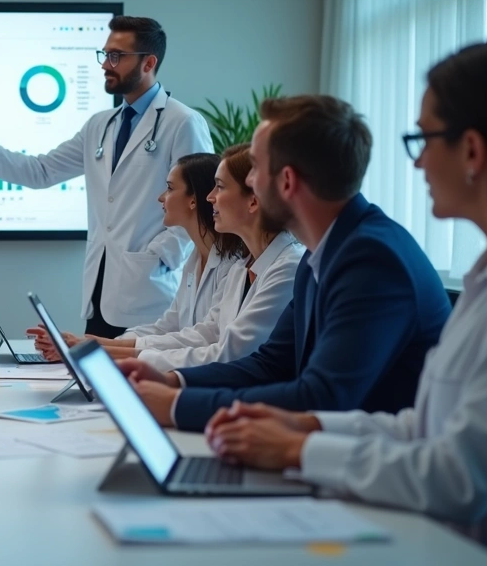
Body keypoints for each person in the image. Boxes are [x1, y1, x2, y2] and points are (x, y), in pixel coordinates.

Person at [204, 39, 487, 566]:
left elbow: (462, 475)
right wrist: (308, 430)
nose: (419, 164)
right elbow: (421, 427)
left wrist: (301, 450)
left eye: (424, 139)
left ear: (473, 151)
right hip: (432, 544)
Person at [120, 95, 452, 432]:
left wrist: (176, 405)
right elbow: (270, 364)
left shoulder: (371, 260)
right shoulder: (320, 253)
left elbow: (322, 396)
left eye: (257, 169)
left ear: (288, 181)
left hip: (373, 466)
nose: (249, 182)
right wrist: (174, 381)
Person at [0, 16, 213, 337]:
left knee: (137, 383)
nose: (105, 65)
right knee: (96, 382)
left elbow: (201, 203)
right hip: (100, 292)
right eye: (105, 54)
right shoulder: (100, 124)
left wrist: (159, 258)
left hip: (149, 294)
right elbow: (43, 171)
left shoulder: (183, 123)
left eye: (116, 56)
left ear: (149, 62)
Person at [46, 144, 304, 370]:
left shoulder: (285, 267)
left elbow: (227, 352)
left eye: (221, 187)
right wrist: (104, 346)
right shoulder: (241, 266)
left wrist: (109, 352)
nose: (210, 197)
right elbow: (203, 331)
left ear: (254, 201)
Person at [29, 151, 242, 357]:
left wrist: (97, 349)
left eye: (169, 188)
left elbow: (205, 336)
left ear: (193, 199)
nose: (161, 198)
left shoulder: (233, 264)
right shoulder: (194, 260)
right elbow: (167, 326)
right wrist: (90, 345)